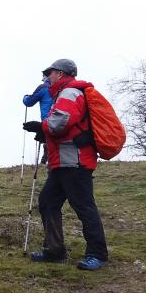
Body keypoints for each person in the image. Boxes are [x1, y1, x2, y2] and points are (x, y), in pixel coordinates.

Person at [21, 58, 109, 271]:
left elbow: (59, 123)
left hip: (75, 162)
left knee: (84, 207)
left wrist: (41, 127)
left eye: (50, 73)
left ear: (60, 74)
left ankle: (98, 253)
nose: (47, 77)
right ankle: (54, 250)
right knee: (48, 202)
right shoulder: (64, 93)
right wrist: (45, 134)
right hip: (63, 162)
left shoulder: (69, 92)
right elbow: (64, 127)